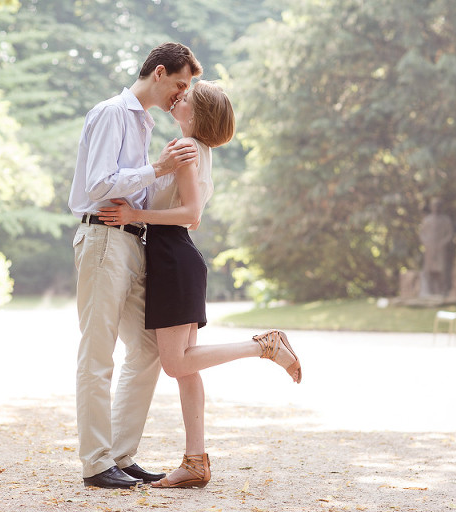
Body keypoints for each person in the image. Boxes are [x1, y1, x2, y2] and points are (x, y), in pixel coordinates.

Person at [97, 80, 302, 489]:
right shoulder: (192, 150)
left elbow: (190, 213)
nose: (178, 96)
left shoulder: (188, 151)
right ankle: (195, 462)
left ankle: (264, 344)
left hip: (174, 260)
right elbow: (194, 216)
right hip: (177, 258)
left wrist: (135, 218)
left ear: (198, 111)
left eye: (186, 96)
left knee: (176, 363)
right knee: (187, 367)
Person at [68, 42, 203, 489]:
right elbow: (99, 184)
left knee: (146, 349)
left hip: (131, 242)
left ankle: (120, 456)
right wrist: (157, 168)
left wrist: (161, 175)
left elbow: (136, 193)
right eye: (180, 84)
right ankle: (94, 464)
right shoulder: (112, 112)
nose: (181, 95)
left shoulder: (143, 122)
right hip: (104, 237)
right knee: (97, 351)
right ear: (159, 73)